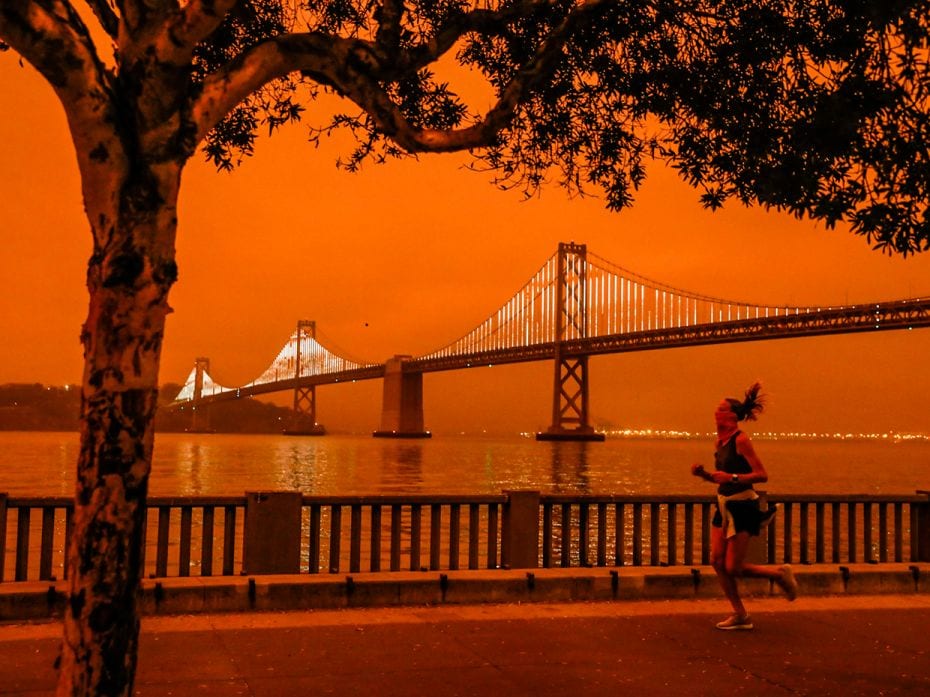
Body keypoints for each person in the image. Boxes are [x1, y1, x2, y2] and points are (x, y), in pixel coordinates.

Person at [690, 382, 797, 630]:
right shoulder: (719, 443)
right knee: (716, 562)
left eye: (720, 409)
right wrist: (705, 475)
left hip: (743, 507)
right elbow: (723, 477)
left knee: (733, 567)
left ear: (731, 415)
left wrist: (733, 479)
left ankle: (779, 575)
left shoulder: (742, 440)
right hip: (724, 506)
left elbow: (762, 475)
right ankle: (740, 614)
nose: (715, 412)